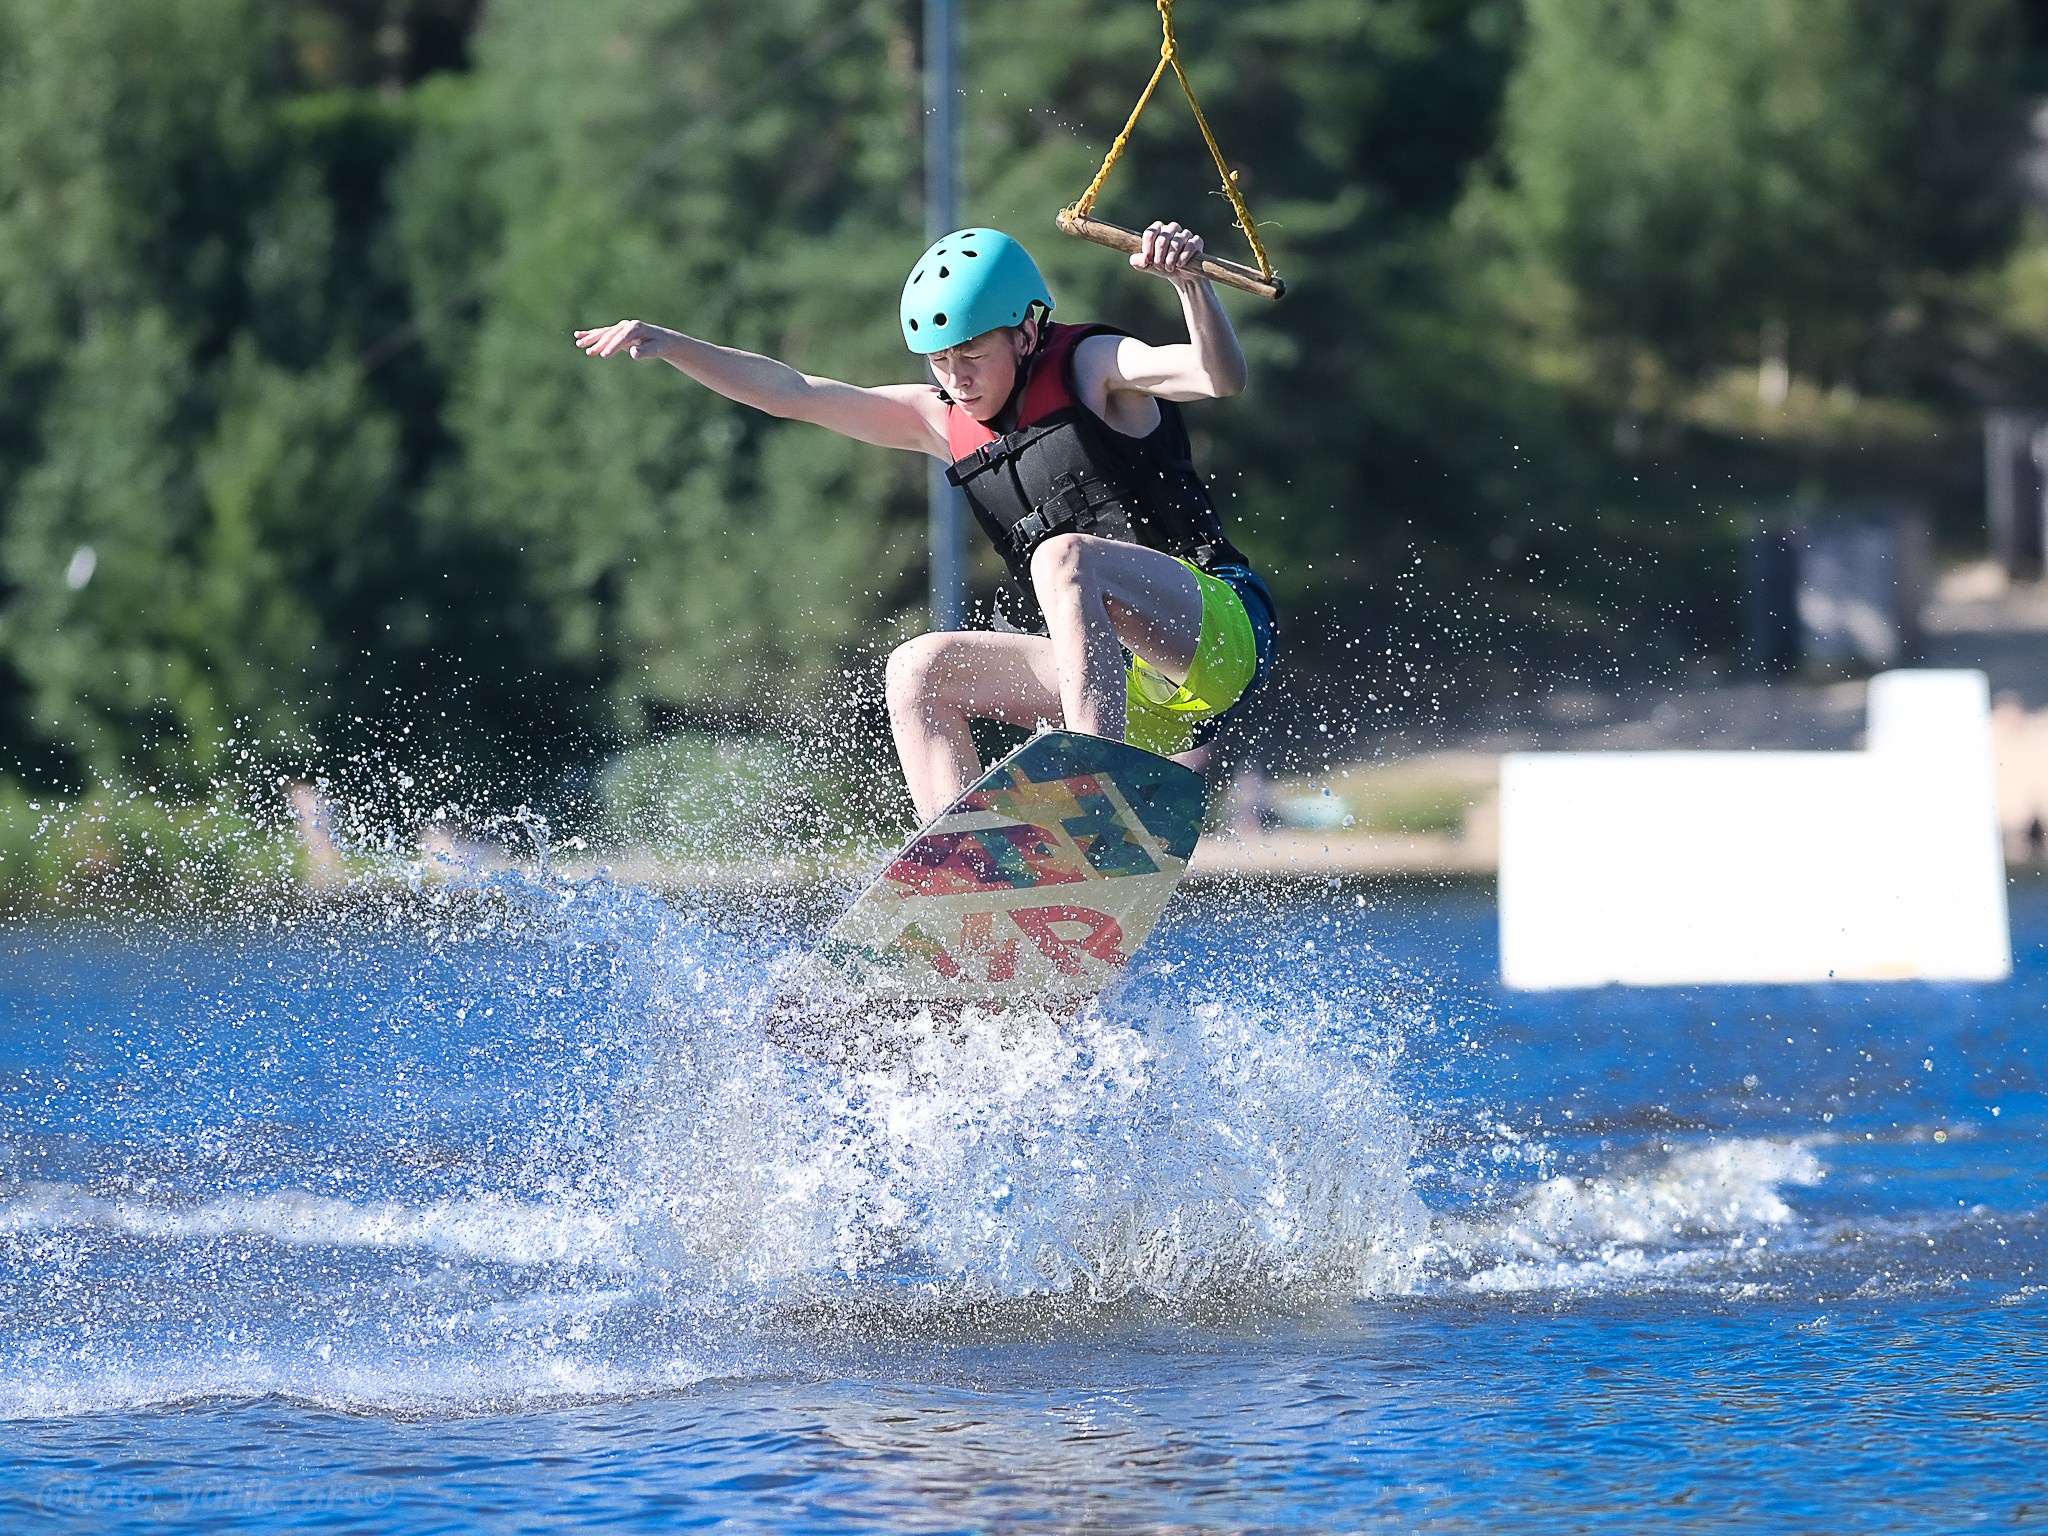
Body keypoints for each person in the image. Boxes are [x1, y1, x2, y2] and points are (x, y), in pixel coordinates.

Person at [576, 220, 1277, 824]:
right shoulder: (940, 418)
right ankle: (965, 877)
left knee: (1063, 558)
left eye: (971, 355)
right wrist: (674, 344)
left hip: (1215, 635)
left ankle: (1088, 791)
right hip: (1123, 696)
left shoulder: (1094, 366)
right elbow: (794, 393)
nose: (956, 377)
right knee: (917, 669)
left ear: (1029, 330)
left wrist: (1191, 285)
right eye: (941, 361)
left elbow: (1220, 378)